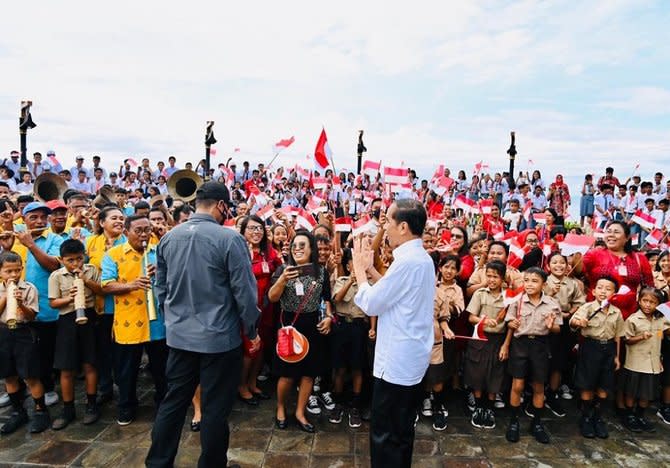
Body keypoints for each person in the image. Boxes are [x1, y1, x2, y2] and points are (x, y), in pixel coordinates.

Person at [146, 182, 260, 468]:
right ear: (221, 205)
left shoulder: (169, 239)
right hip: (219, 340)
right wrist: (253, 330)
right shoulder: (229, 239)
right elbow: (245, 294)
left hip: (180, 337)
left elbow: (161, 289)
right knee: (214, 410)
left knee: (173, 404)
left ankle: (158, 462)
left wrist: (172, 322)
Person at [352, 199, 435, 468]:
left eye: (387, 220)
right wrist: (371, 270)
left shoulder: (409, 262)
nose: (384, 226)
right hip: (410, 358)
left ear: (403, 226)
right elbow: (394, 292)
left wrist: (359, 272)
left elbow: (372, 303)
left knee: (386, 434)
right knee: (400, 431)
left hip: (397, 362)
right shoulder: (419, 258)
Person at [101, 215, 167, 426]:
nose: (144, 234)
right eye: (138, 230)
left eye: (147, 230)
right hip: (128, 323)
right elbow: (106, 285)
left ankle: (164, 405)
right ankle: (126, 406)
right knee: (127, 370)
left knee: (162, 369)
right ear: (126, 232)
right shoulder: (113, 254)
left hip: (157, 323)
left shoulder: (158, 252)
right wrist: (132, 285)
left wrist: (161, 275)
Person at [267, 230, 333, 433]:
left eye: (302, 245)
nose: (297, 249)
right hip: (290, 326)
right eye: (294, 245)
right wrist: (282, 280)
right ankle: (280, 408)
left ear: (311, 248)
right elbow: (272, 298)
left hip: (312, 326)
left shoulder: (321, 271)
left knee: (308, 374)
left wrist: (329, 317)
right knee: (287, 374)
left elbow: (326, 298)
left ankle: (300, 412)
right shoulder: (284, 270)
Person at [48, 239, 103, 429]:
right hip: (67, 320)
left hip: (89, 317)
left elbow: (100, 291)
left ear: (84, 256)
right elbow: (53, 303)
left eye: (79, 259)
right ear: (61, 260)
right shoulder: (56, 276)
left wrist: (85, 280)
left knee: (90, 363)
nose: (75, 264)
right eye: (70, 260)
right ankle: (68, 408)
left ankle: (91, 404)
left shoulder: (91, 270)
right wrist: (69, 298)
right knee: (66, 367)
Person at [504, 267, 562, 444]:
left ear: (544, 284)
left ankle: (536, 423)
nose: (529, 284)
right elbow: (510, 324)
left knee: (538, 386)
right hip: (520, 344)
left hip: (540, 345)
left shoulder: (552, 304)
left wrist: (551, 325)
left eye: (534, 281)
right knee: (518, 384)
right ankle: (513, 422)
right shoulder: (517, 301)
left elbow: (558, 329)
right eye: (526, 280)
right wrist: (510, 328)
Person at [0, 252, 49, 434]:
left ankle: (40, 411)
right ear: (1, 271)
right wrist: (7, 295)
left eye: (17, 270)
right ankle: (18, 412)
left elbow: (32, 315)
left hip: (23, 333)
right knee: (9, 375)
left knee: (30, 375)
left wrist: (20, 303)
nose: (13, 275)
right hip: (4, 333)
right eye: (8, 271)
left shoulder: (29, 288)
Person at [569, 276, 623, 439]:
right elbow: (573, 321)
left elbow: (618, 336)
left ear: (614, 293)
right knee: (587, 384)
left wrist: (617, 357)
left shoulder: (617, 312)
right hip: (590, 348)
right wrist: (580, 322)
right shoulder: (588, 307)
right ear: (593, 290)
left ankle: (597, 417)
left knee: (604, 385)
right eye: (600, 287)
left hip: (608, 349)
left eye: (608, 289)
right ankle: (585, 417)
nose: (603, 291)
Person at [465, 260, 508, 430]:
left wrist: (506, 345)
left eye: (495, 277)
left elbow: (511, 323)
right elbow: (471, 317)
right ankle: (479, 407)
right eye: (489, 276)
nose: (491, 280)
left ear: (502, 278)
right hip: (480, 339)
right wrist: (483, 320)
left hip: (498, 340)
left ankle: (489, 408)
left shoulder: (509, 297)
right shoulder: (480, 294)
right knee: (478, 373)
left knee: (495, 374)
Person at [620, 287, 670, 433]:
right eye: (645, 301)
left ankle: (640, 415)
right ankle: (629, 416)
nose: (648, 305)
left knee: (646, 393)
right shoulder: (633, 319)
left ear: (658, 304)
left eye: (652, 302)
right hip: (635, 363)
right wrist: (641, 337)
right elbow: (627, 340)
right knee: (631, 391)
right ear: (639, 301)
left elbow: (663, 334)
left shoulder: (660, 320)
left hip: (652, 364)